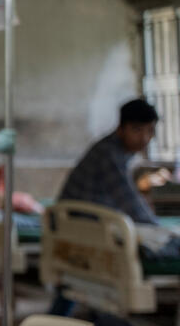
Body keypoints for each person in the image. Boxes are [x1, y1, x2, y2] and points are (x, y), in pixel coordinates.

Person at [57, 98, 165, 230]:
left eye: (150, 131)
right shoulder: (109, 154)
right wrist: (161, 231)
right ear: (121, 128)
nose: (144, 138)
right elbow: (130, 203)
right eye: (137, 130)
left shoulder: (119, 152)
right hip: (77, 224)